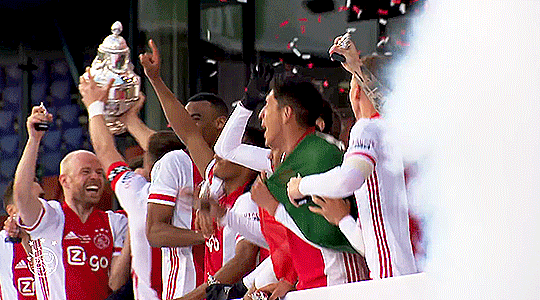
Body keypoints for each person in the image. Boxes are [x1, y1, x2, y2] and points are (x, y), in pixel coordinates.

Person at [286, 35, 417, 279]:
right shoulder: (409, 137)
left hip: (392, 278)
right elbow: (372, 247)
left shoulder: (369, 129)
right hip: (418, 273)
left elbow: (348, 179)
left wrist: (300, 186)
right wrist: (344, 220)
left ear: (355, 91)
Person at [79, 71, 192, 300]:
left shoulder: (140, 195)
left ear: (151, 165)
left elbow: (105, 150)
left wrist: (94, 107)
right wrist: (130, 119)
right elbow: (163, 148)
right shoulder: (204, 189)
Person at [12, 105, 129, 300]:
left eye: (100, 173)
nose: (95, 177)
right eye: (86, 172)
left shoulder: (115, 223)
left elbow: (116, 282)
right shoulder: (50, 217)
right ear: (64, 181)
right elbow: (22, 195)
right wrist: (34, 139)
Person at [0, 179, 43, 300]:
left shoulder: (57, 235)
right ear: (11, 211)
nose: (40, 206)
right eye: (30, 200)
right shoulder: (2, 244)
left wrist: (26, 238)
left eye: (42, 199)